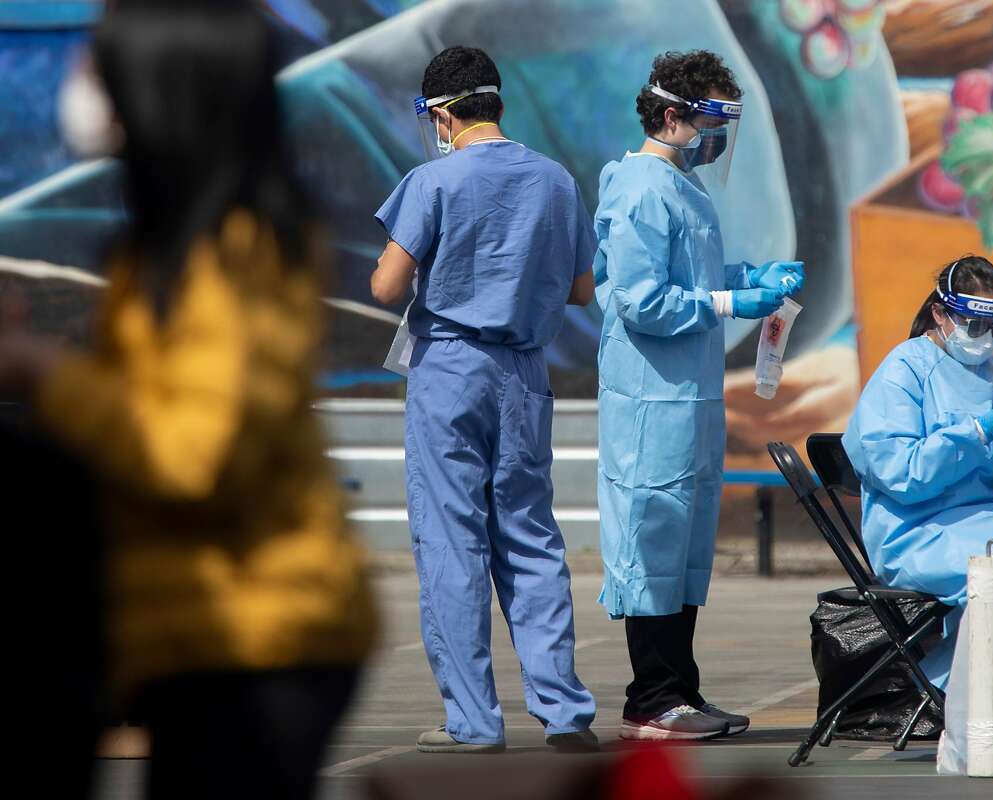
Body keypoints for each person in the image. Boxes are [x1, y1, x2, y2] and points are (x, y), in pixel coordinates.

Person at [0, 2, 377, 798]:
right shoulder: (170, 247)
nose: (76, 85)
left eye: (96, 67)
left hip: (259, 638)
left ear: (163, 87)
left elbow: (191, 454)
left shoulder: (235, 254)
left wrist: (40, 371)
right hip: (197, 638)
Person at [370, 46, 599, 754]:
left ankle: (473, 720)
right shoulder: (557, 181)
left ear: (442, 115)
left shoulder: (433, 180)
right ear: (497, 103)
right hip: (524, 373)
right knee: (530, 536)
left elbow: (385, 286)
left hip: (451, 371)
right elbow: (583, 290)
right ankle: (563, 712)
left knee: (451, 543)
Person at [592, 50, 805, 741]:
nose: (718, 139)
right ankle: (651, 699)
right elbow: (640, 298)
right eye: (712, 120)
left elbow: (696, 272)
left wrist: (751, 277)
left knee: (682, 551)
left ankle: (680, 690)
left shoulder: (684, 186)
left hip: (690, 401)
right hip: (650, 402)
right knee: (650, 543)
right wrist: (728, 298)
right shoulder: (640, 188)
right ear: (673, 113)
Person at [842, 256, 993, 688]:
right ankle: (955, 690)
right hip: (917, 531)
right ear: (940, 314)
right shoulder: (904, 371)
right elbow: (899, 474)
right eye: (974, 326)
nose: (986, 339)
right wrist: (971, 435)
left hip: (991, 518)